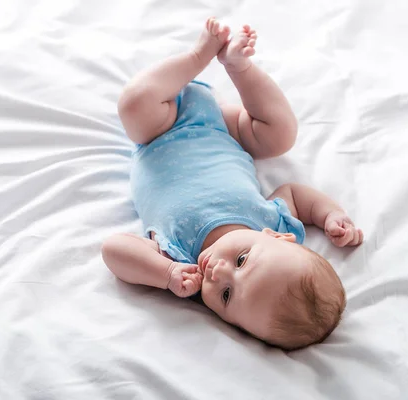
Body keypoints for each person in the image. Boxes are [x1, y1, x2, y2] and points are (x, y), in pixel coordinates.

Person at [102, 18, 363, 350]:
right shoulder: (270, 220)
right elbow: (297, 193)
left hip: (158, 131)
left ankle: (197, 59)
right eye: (241, 260)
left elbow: (113, 250)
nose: (218, 273)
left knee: (133, 105)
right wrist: (330, 216)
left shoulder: (180, 258)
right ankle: (235, 66)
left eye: (226, 296)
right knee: (281, 134)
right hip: (225, 129)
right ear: (279, 237)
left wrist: (165, 274)